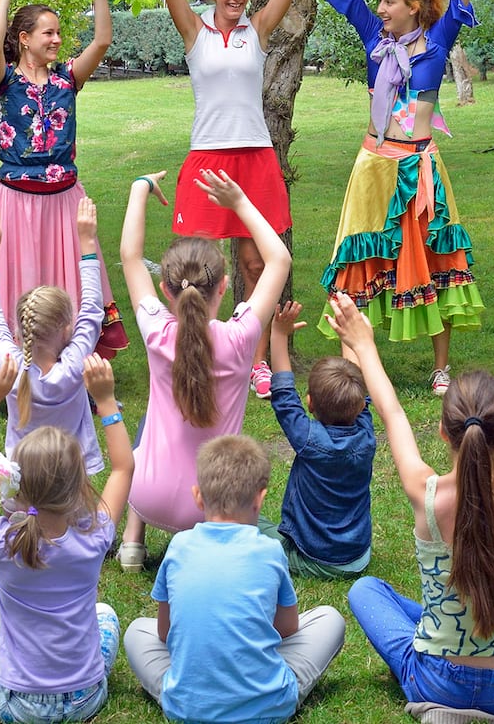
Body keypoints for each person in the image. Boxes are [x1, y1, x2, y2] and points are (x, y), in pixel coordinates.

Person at [342, 255, 494, 719]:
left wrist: (365, 346)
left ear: (445, 434)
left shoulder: (425, 493)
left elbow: (392, 413)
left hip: (435, 680)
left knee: (365, 590)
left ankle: (436, 675)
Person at [318, 0, 490, 395]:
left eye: (390, 1)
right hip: (373, 163)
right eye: (381, 1)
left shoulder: (436, 42)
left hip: (420, 168)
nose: (382, 7)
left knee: (436, 257)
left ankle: (441, 368)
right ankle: (353, 366)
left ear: (414, 7)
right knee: (359, 257)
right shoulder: (375, 39)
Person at [0, 352, 134, 722]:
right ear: (79, 484)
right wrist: (105, 400)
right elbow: (123, 467)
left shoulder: (2, 542)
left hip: (22, 706)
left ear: (16, 483)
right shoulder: (95, 536)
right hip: (87, 696)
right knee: (106, 614)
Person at [156, 0, 303, 396]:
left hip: (255, 156)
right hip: (207, 158)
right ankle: (189, 352)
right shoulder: (195, 33)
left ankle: (255, 361)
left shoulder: (257, 32)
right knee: (192, 266)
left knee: (254, 261)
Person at [0, 0, 126, 380]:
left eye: (57, 33)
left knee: (70, 281)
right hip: (15, 198)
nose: (55, 40)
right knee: (16, 281)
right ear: (25, 39)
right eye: (47, 33)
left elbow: (104, 39)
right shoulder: (4, 81)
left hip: (65, 198)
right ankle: (8, 372)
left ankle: (74, 371)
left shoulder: (67, 78)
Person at [114, 169, 290, 570]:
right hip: (215, 506)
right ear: (225, 287)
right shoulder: (242, 337)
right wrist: (240, 203)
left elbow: (129, 256)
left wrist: (139, 188)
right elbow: (279, 258)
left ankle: (132, 541)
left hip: (149, 494)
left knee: (150, 424)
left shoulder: (157, 332)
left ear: (166, 291)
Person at [124, 435, 347, 724]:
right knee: (329, 619)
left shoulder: (179, 545)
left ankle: (188, 690)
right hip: (269, 706)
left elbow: (165, 633)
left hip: (186, 709)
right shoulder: (270, 550)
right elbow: (289, 627)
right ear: (260, 498)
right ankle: (263, 686)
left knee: (137, 632)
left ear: (198, 496)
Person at [0, 199, 112, 473]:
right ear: (67, 329)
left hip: (22, 477)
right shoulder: (75, 365)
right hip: (73, 476)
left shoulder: (9, 368)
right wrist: (87, 242)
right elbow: (92, 309)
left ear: (19, 328)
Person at [261, 301, 378, 578]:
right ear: (361, 405)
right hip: (359, 556)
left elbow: (285, 397)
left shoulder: (308, 439)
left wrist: (278, 334)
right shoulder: (366, 434)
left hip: (314, 557)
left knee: (245, 521)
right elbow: (359, 388)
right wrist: (350, 337)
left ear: (310, 403)